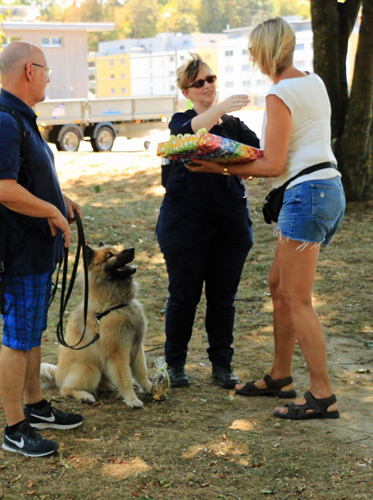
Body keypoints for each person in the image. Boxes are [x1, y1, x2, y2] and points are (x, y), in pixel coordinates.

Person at [188, 16, 345, 419]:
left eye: (253, 51)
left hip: (307, 194)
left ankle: (322, 395)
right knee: (279, 285)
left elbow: (274, 164)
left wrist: (218, 167)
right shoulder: (313, 81)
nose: (252, 58)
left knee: (295, 298)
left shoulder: (279, 93)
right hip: (325, 189)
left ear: (265, 51)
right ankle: (279, 376)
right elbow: (287, 150)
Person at [0, 42, 84, 457]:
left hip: (37, 249)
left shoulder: (23, 120)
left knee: (31, 332)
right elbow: (1, 188)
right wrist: (51, 213)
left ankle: (36, 405)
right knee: (17, 340)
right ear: (28, 70)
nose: (47, 78)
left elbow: (28, 180)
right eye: (46, 70)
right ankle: (14, 429)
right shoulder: (4, 122)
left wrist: (63, 203)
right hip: (17, 252)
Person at [157, 53, 260, 390]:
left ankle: (223, 365)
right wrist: (221, 107)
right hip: (185, 224)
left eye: (211, 79)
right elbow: (190, 131)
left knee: (222, 298)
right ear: (186, 91)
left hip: (229, 223)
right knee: (183, 296)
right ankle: (175, 364)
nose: (207, 86)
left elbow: (259, 157)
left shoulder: (233, 126)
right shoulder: (180, 121)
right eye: (198, 82)